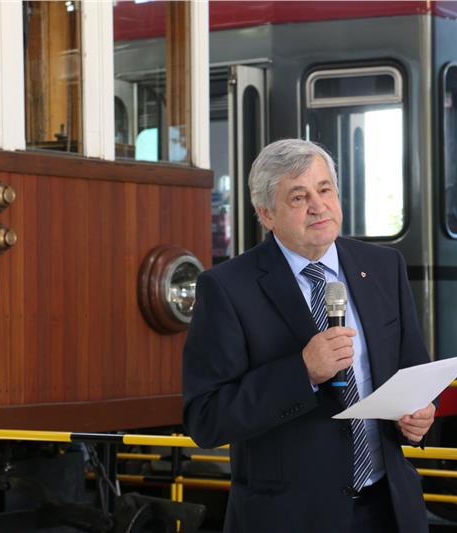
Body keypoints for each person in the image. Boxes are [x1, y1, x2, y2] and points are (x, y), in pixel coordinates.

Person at [183, 139, 435, 532]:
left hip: (388, 508)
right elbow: (206, 419)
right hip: (289, 517)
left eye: (325, 189)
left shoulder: (384, 266)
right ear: (266, 213)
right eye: (299, 197)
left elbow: (413, 371)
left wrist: (420, 415)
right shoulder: (227, 288)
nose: (318, 206)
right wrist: (302, 372)